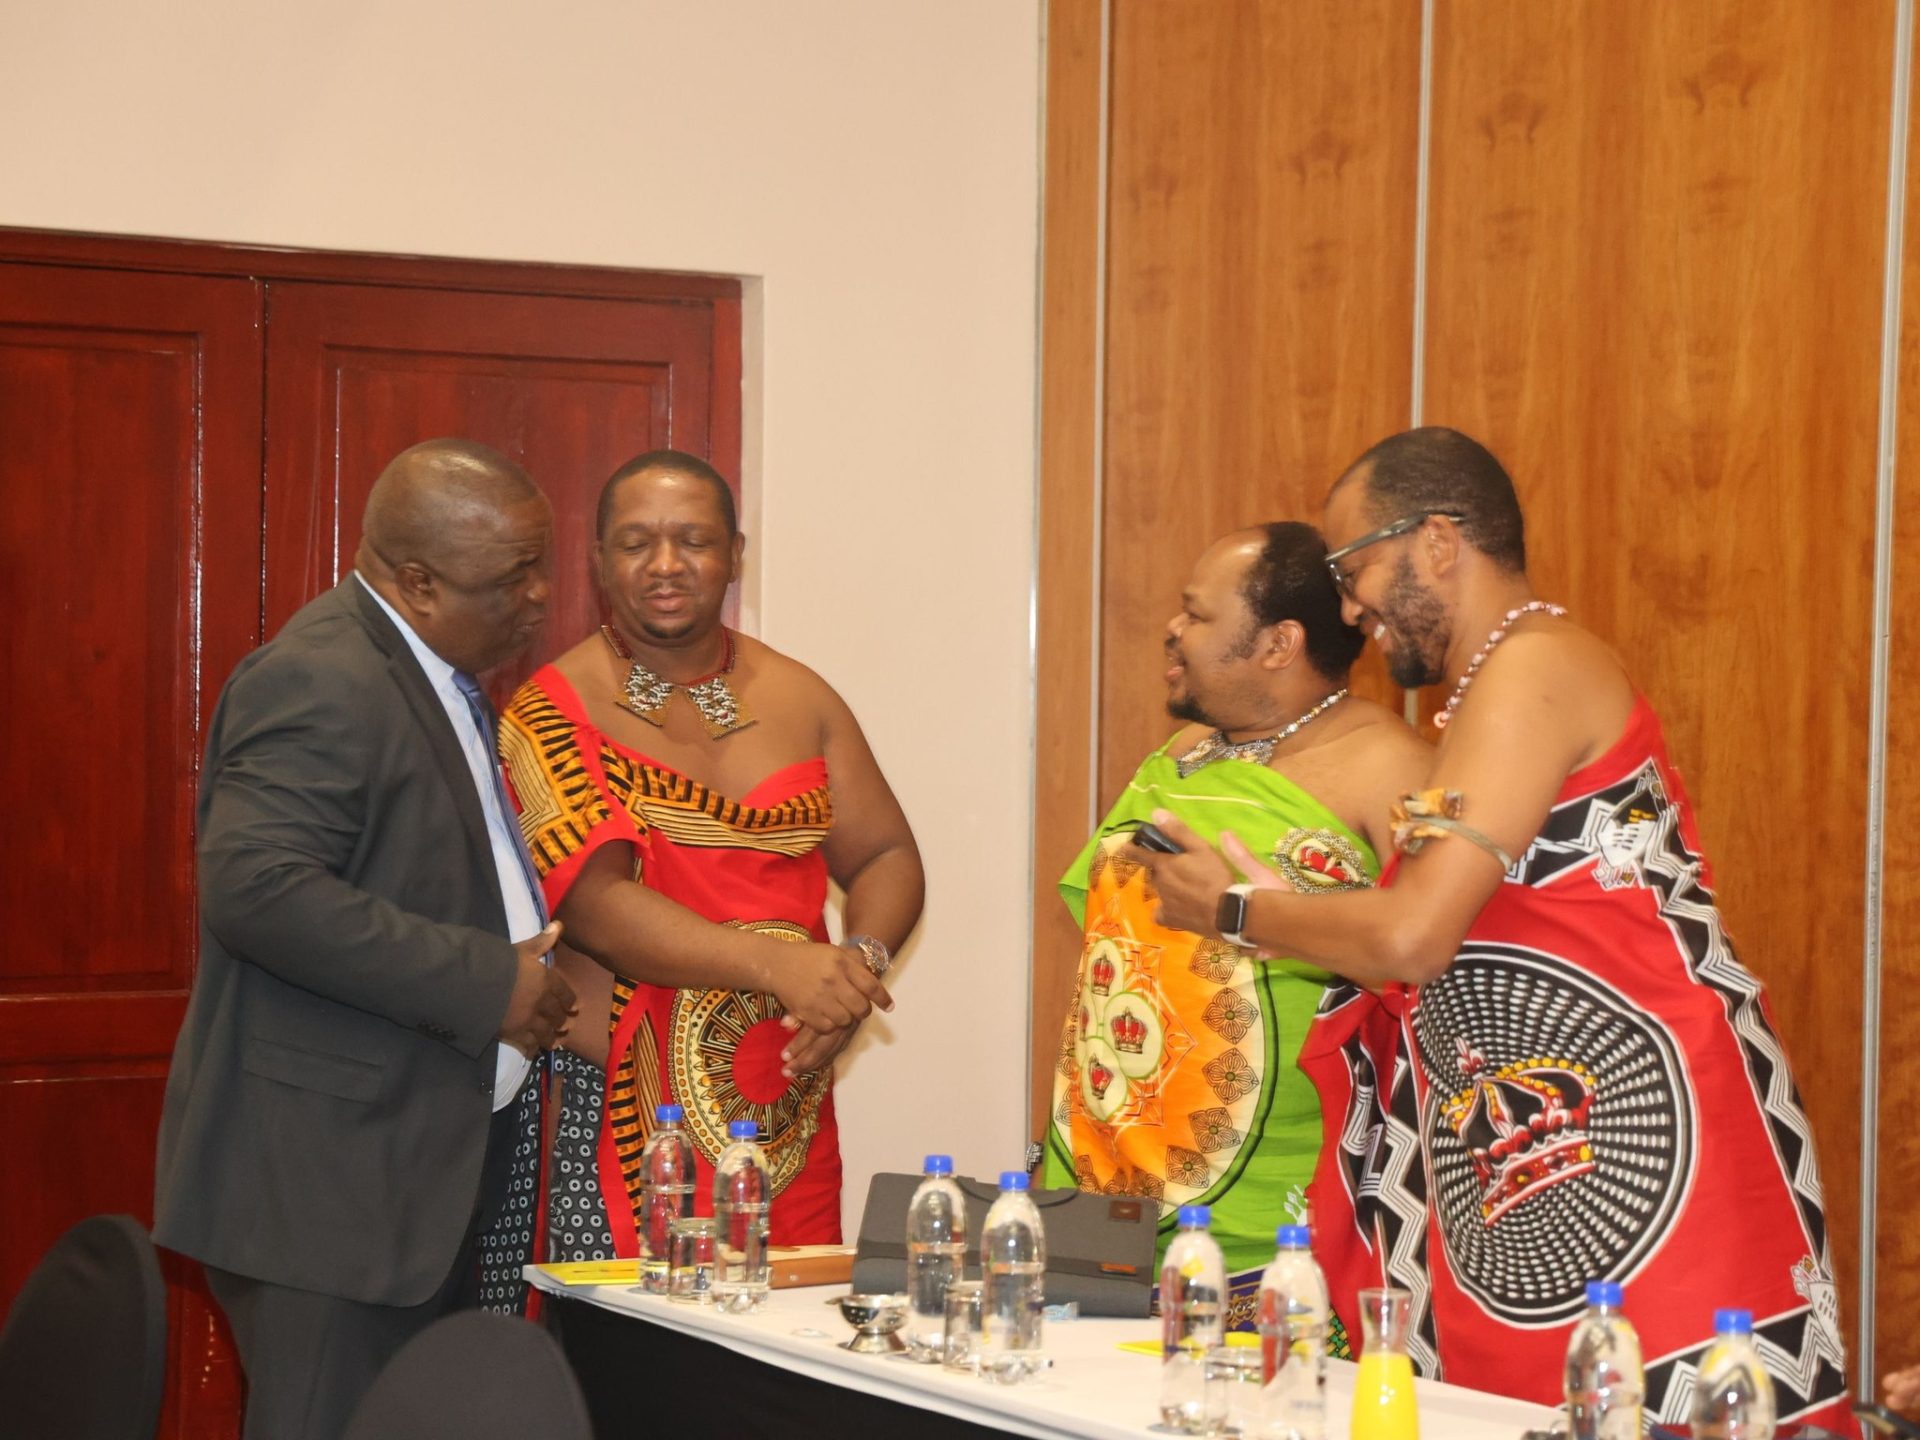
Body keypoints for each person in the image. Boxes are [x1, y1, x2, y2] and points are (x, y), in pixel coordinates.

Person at [1131, 428, 1855, 1432]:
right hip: (1534, 1160)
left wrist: (1235, 910)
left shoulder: (1533, 665)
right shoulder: (1486, 692)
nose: (1350, 607)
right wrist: (1288, 915)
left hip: (1641, 1144)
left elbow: (1415, 937)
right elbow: (1435, 936)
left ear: (1435, 542)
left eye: (1354, 568)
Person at [154, 439, 578, 1440]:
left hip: (411, 1171)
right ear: (417, 583)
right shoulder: (321, 677)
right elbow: (259, 890)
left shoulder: (432, 668)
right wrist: (488, 982)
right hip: (327, 1196)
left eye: (541, 564)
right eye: (513, 575)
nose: (539, 595)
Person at [499, 450, 924, 1257]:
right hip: (615, 1117)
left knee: (781, 1333)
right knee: (624, 1342)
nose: (665, 564)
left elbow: (886, 854)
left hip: (783, 1112)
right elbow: (596, 907)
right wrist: (781, 968)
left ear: (734, 554)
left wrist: (853, 972)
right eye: (636, 543)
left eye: (693, 540)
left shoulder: (803, 696)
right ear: (598, 561)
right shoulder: (551, 710)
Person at [1042, 523, 1429, 1315]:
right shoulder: (1185, 753)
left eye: (1197, 614)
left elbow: (1428, 954)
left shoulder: (1388, 767)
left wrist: (1260, 910)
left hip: (1273, 1214)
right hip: (1103, 1182)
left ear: (1279, 643)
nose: (1172, 628)